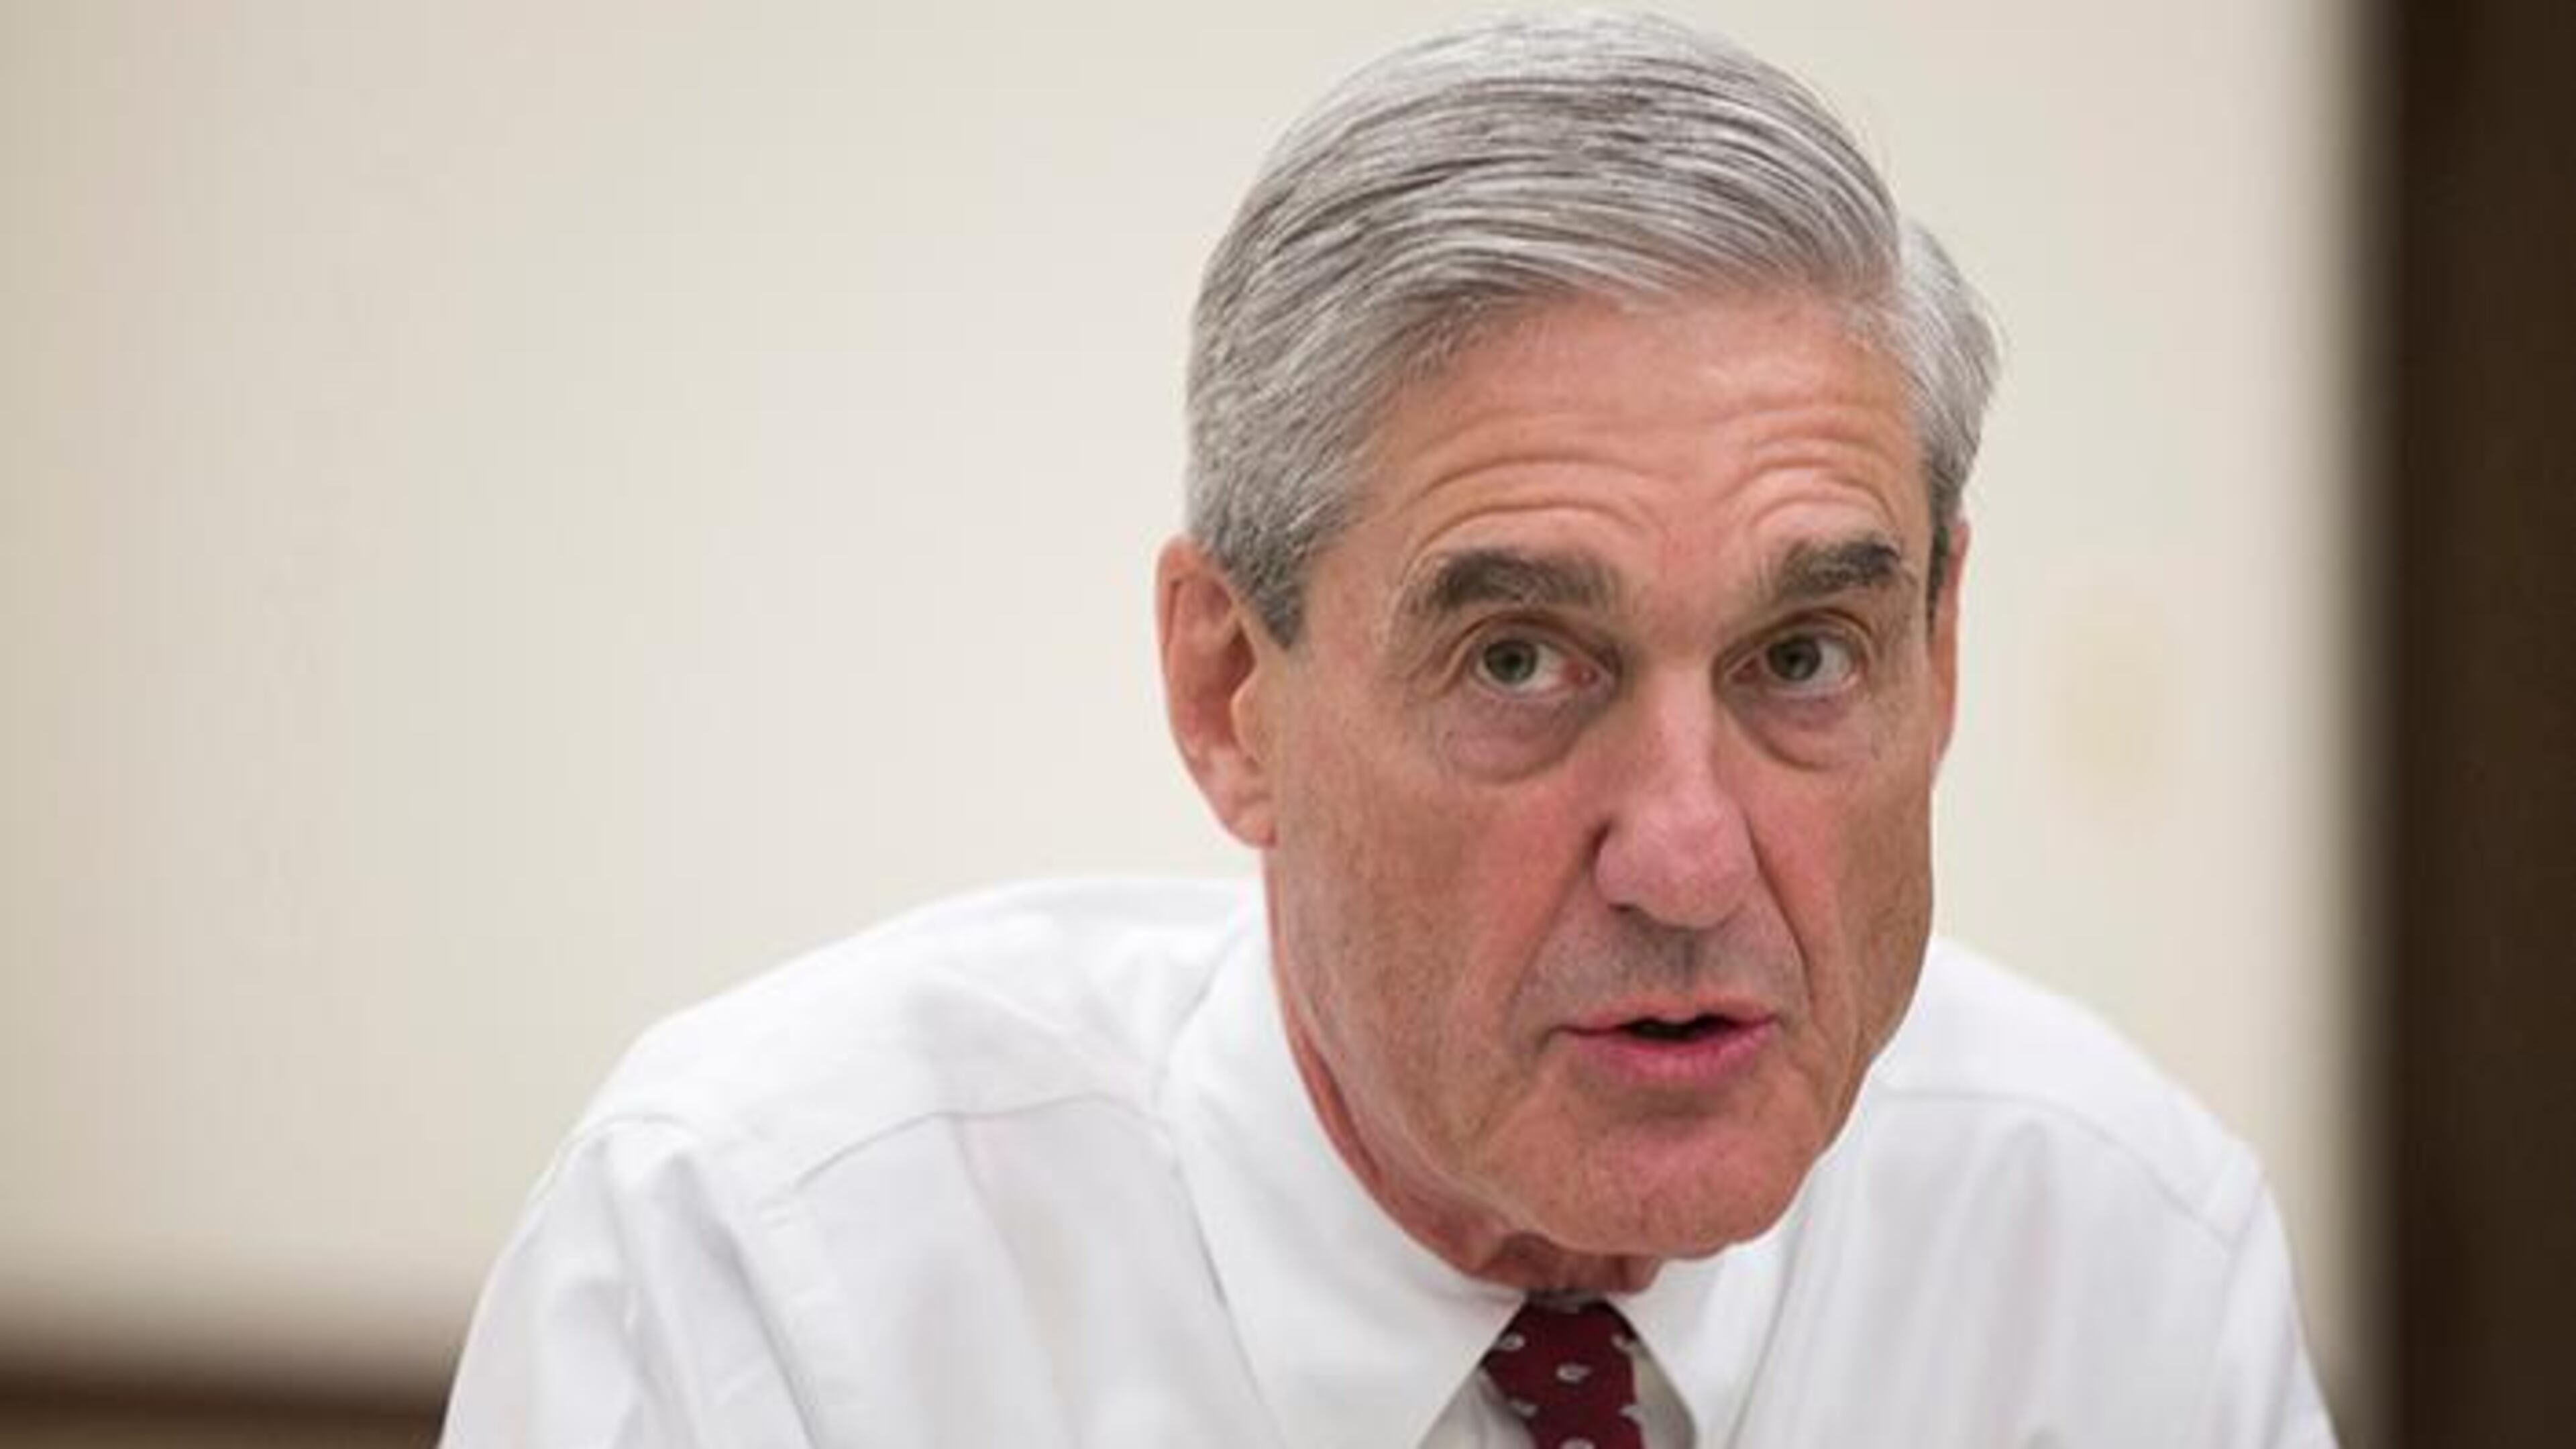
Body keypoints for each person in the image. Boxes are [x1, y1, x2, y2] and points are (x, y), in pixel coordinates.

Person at [441, 14, 2337, 1446]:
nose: (1686, 857)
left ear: (1942, 644)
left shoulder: (2122, 1264)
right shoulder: (767, 1273)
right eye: (1521, 662)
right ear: (1228, 693)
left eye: (1802, 659)